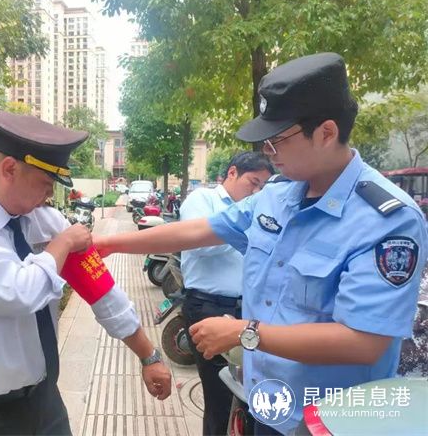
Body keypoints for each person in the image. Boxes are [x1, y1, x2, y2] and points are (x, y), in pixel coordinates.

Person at [94, 53, 428, 435]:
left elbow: (364, 342)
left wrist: (244, 332)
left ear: (326, 133)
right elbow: (200, 230)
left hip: (328, 420)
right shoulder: (277, 195)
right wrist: (110, 244)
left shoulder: (386, 219)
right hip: (266, 402)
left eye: (278, 140)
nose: (268, 152)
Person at [0, 107, 171, 436]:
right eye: (45, 184)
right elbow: (16, 293)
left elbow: (101, 290)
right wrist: (61, 245)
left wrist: (148, 355)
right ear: (10, 169)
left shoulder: (44, 220)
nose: (50, 195)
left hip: (45, 406)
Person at [180, 151, 273, 436]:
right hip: (209, 308)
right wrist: (244, 223)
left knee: (254, 393)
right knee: (219, 394)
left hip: (247, 313)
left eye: (262, 188)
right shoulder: (202, 200)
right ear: (232, 173)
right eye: (253, 183)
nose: (256, 193)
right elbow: (201, 245)